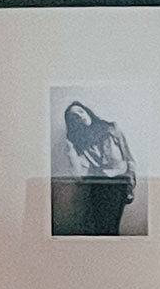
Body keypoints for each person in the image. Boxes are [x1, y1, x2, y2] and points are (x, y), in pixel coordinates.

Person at [52, 101, 137, 235]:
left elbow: (129, 158)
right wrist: (71, 150)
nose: (80, 116)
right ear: (73, 123)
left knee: (111, 227)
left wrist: (131, 185)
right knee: (99, 228)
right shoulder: (78, 143)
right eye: (74, 117)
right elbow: (78, 176)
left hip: (119, 182)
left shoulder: (112, 128)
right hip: (97, 184)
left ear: (87, 111)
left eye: (81, 111)